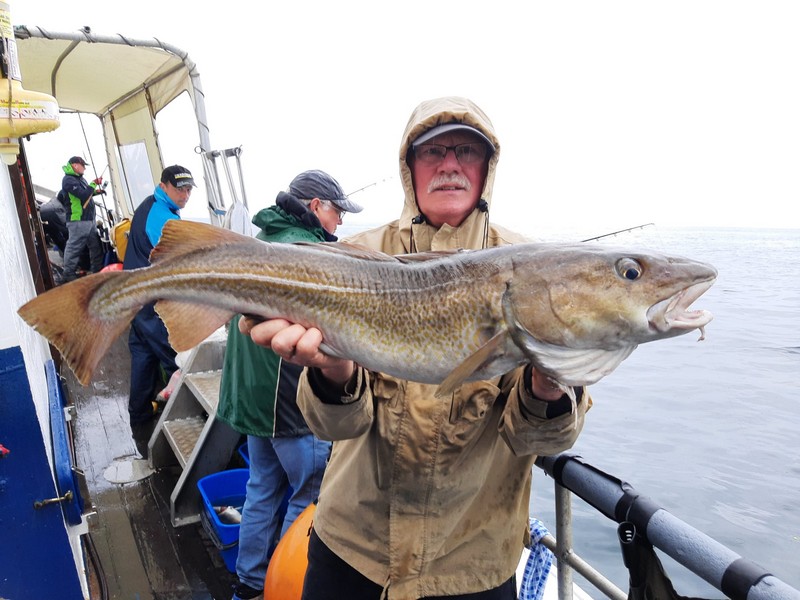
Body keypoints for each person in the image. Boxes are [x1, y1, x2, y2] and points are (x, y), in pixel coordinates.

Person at [240, 96, 592, 599]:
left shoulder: (537, 273)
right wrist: (332, 369)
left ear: (487, 167)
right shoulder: (356, 256)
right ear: (410, 167)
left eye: (466, 152)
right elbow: (335, 427)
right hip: (352, 551)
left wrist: (551, 382)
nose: (450, 164)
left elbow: (538, 442)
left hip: (471, 566)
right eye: (434, 152)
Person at [217, 169, 363, 600]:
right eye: (337, 212)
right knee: (308, 497)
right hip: (288, 402)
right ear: (316, 207)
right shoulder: (310, 254)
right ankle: (287, 589)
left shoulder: (262, 244)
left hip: (250, 402)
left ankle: (248, 582)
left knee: (261, 488)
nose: (339, 223)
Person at [123, 165, 195, 454]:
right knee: (176, 359)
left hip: (136, 297)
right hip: (151, 302)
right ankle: (185, 420)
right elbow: (175, 258)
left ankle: (139, 416)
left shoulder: (151, 205)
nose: (185, 195)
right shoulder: (160, 216)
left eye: (189, 189)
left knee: (142, 357)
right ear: (164, 185)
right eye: (180, 189)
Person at [59, 155, 104, 282]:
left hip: (89, 220)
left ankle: (97, 271)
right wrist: (93, 183)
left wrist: (97, 191)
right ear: (75, 165)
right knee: (74, 247)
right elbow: (83, 195)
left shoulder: (80, 179)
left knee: (95, 246)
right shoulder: (68, 180)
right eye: (83, 166)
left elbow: (87, 193)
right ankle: (68, 274)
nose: (84, 168)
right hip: (78, 220)